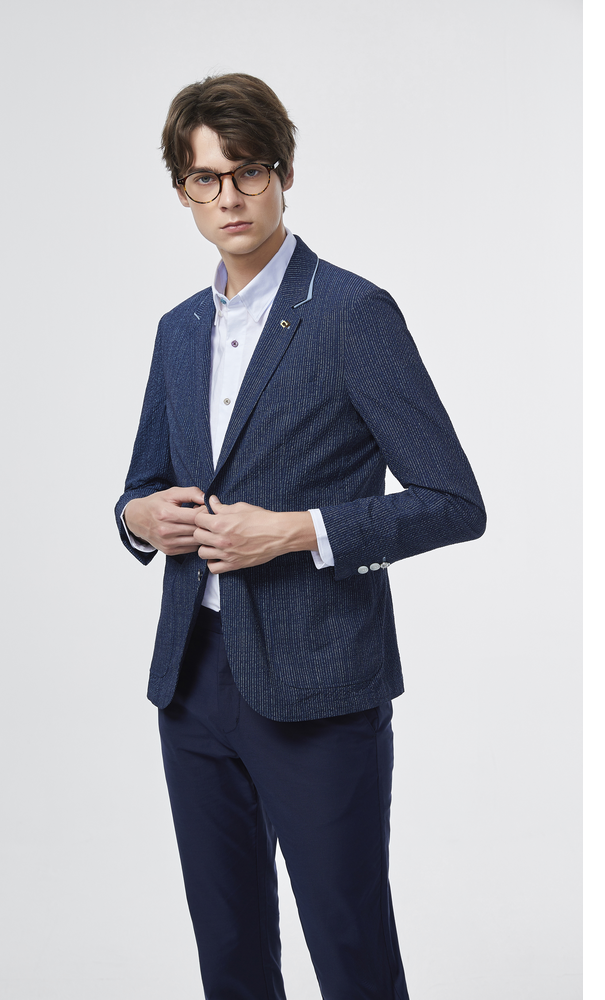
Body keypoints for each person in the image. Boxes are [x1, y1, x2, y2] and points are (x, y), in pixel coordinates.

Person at [115, 72, 486, 1000]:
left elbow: (453, 500)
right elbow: (142, 484)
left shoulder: (353, 313)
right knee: (230, 954)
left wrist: (297, 532)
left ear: (283, 173)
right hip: (193, 678)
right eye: (206, 178)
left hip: (321, 683)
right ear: (182, 191)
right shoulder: (178, 330)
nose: (230, 197)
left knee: (349, 951)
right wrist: (137, 518)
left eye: (249, 171)